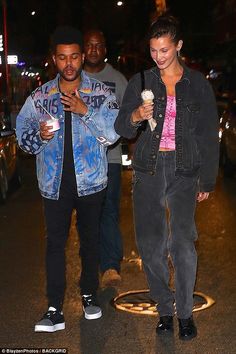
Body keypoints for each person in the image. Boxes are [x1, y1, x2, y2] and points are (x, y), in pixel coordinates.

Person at [115, 15, 219, 341]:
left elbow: (207, 136)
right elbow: (121, 127)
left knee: (183, 244)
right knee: (150, 246)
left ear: (178, 46)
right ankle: (164, 308)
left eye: (164, 50)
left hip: (185, 170)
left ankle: (185, 313)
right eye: (153, 50)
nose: (158, 57)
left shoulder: (197, 84)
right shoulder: (141, 81)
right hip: (148, 168)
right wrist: (135, 115)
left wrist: (207, 181)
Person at [16, 26, 119, 332]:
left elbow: (113, 134)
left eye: (74, 56)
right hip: (54, 184)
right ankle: (54, 309)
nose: (69, 63)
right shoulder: (39, 96)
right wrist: (38, 135)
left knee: (90, 242)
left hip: (91, 183)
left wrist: (85, 111)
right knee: (54, 245)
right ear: (55, 59)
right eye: (63, 58)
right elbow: (23, 137)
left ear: (83, 55)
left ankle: (89, 295)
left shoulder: (102, 93)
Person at [83, 30, 128, 287]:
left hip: (109, 158)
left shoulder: (118, 80)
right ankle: (90, 264)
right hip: (80, 160)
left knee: (109, 210)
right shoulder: (72, 77)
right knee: (87, 214)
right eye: (89, 45)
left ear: (105, 49)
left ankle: (110, 266)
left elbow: (127, 119)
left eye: (98, 45)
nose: (93, 49)